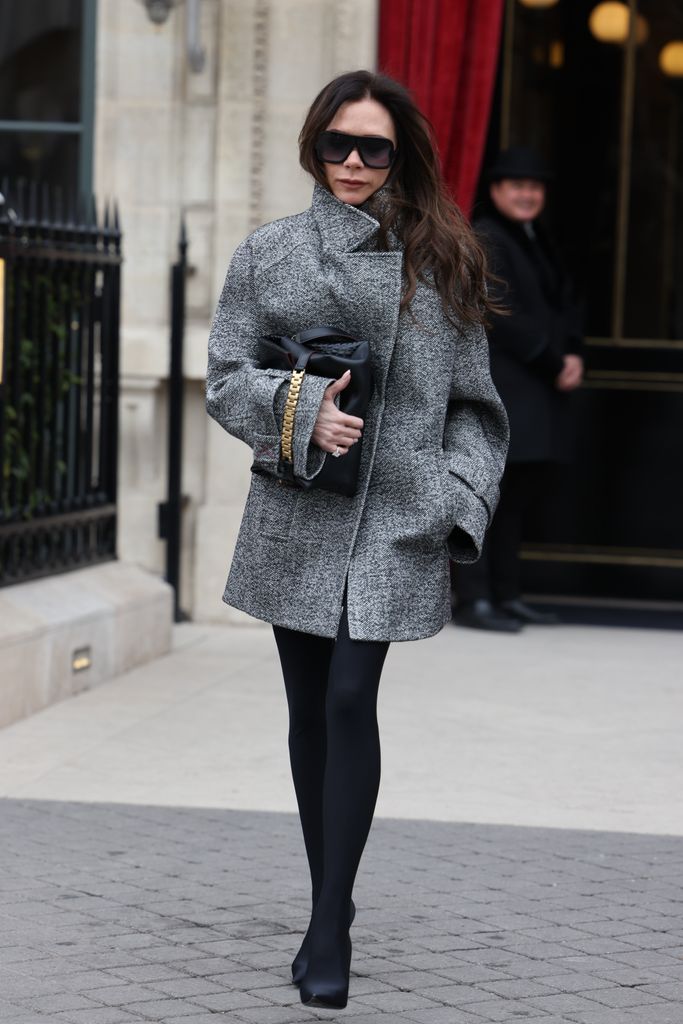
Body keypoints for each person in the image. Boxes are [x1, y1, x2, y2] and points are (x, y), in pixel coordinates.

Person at [206, 70, 509, 1010]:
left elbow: (477, 410)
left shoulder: (446, 262)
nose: (351, 163)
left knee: (347, 699)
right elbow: (225, 376)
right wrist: (301, 412)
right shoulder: (272, 256)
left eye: (372, 148)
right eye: (337, 144)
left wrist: (454, 498)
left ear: (400, 155)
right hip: (300, 512)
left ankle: (330, 922)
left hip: (398, 517)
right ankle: (324, 903)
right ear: (313, 145)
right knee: (307, 713)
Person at [453, 146, 584, 633]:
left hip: (536, 388)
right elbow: (501, 311)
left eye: (535, 187)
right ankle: (474, 599)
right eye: (517, 186)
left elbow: (563, 302)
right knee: (489, 497)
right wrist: (554, 361)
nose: (528, 194)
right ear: (496, 191)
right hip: (508, 384)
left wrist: (572, 352)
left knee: (516, 499)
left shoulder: (534, 236)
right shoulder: (487, 237)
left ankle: (506, 595)